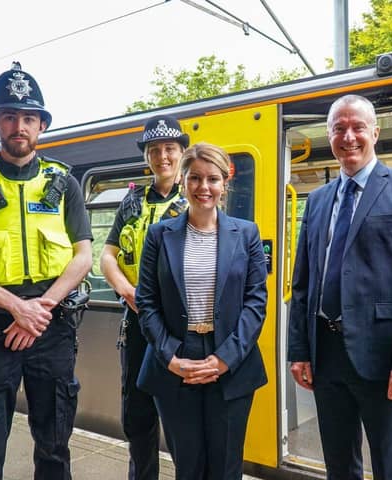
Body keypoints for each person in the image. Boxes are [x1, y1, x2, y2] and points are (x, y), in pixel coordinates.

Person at [0, 62, 93, 479]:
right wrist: (16, 308)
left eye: (28, 118)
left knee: (55, 445)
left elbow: (83, 256)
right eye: (9, 116)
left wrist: (39, 309)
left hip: (52, 325)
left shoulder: (65, 183)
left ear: (40, 125)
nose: (18, 126)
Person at [288, 94, 392, 480]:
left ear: (375, 132)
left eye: (357, 127)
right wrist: (299, 350)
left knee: (391, 464)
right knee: (339, 464)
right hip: (326, 352)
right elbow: (303, 283)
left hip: (382, 355)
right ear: (329, 135)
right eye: (339, 129)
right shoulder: (318, 201)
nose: (349, 137)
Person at [135, 142, 268, 480]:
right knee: (188, 466)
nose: (203, 187)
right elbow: (146, 302)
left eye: (212, 179)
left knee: (226, 468)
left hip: (231, 359)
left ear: (225, 184)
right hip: (177, 358)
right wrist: (171, 358)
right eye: (195, 178)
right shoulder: (159, 235)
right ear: (183, 181)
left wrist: (225, 358)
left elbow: (255, 303)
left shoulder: (247, 234)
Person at [100, 114, 189, 480]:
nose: (162, 156)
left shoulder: (195, 197)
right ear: (146, 156)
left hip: (180, 326)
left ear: (182, 152)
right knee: (138, 416)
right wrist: (126, 289)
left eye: (170, 148)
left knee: (184, 417)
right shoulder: (131, 201)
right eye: (155, 150)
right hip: (137, 323)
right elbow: (107, 255)